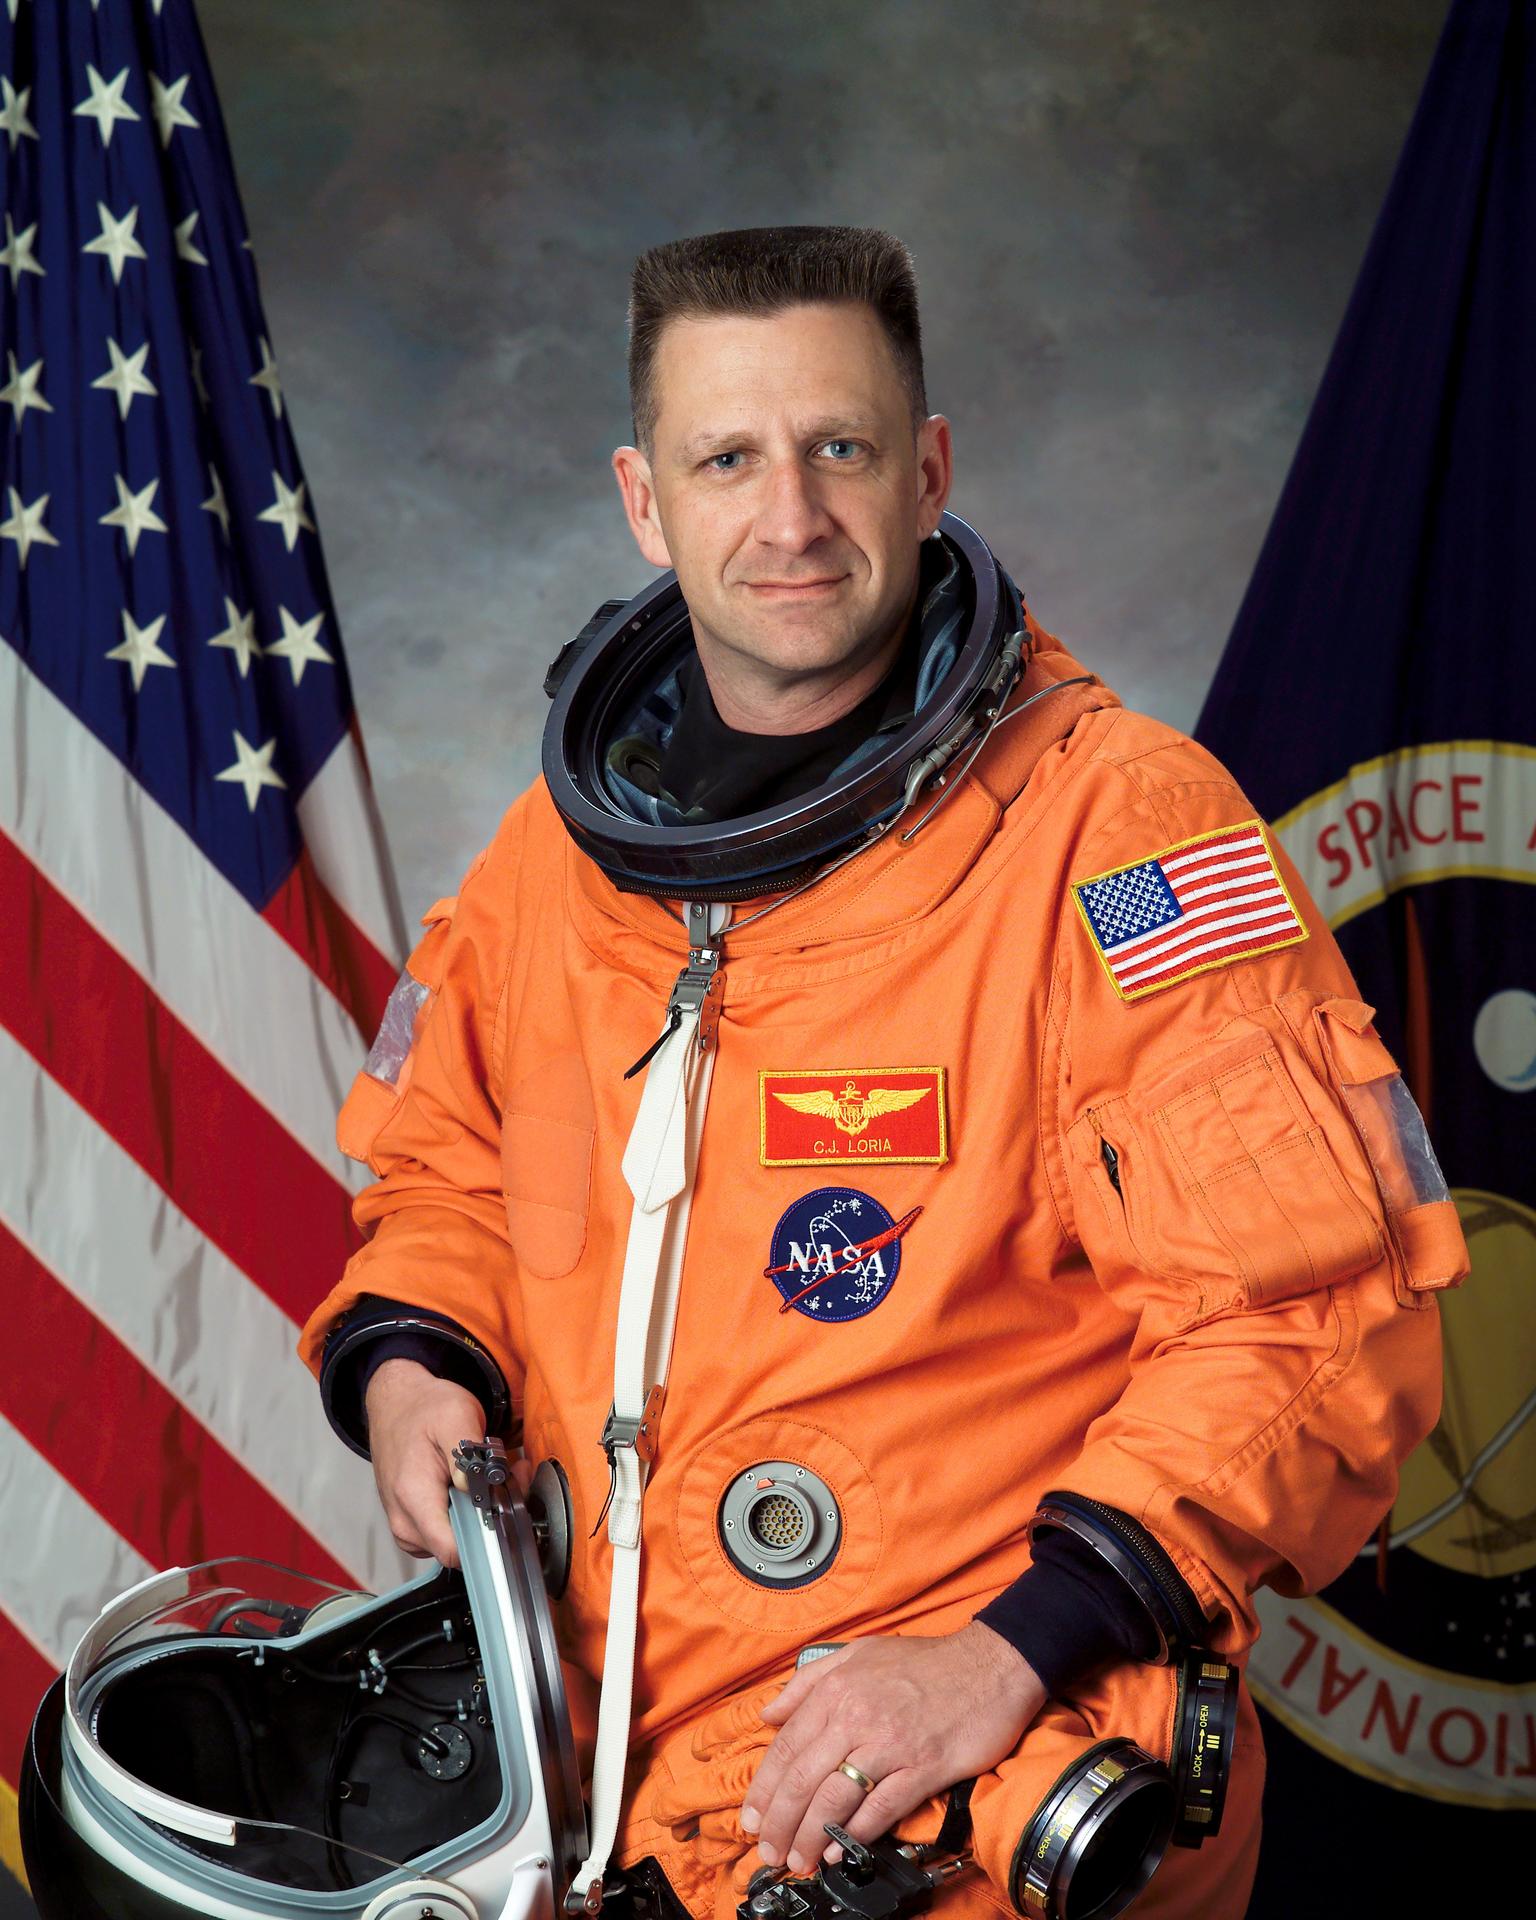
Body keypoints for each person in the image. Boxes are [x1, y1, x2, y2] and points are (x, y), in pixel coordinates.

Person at [298, 225, 1467, 1920]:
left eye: (839, 448)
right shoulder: (565, 854)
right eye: (727, 459)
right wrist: (414, 1366)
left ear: (928, 472)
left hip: (943, 1804)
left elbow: (1313, 1317)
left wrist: (1013, 1650)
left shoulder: (1118, 835)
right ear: (644, 501)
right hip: (599, 1801)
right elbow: (448, 1172)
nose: (790, 518)